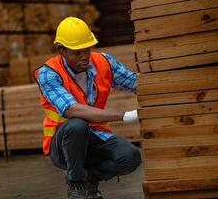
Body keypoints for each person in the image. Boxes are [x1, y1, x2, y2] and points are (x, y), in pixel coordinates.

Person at [33, 17, 141, 199]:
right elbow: (72, 110)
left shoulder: (103, 63)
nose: (84, 57)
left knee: (130, 157)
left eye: (87, 50)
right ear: (62, 51)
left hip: (95, 136)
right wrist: (125, 116)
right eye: (77, 52)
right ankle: (75, 184)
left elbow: (134, 82)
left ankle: (88, 181)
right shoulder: (48, 73)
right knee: (77, 124)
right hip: (62, 145)